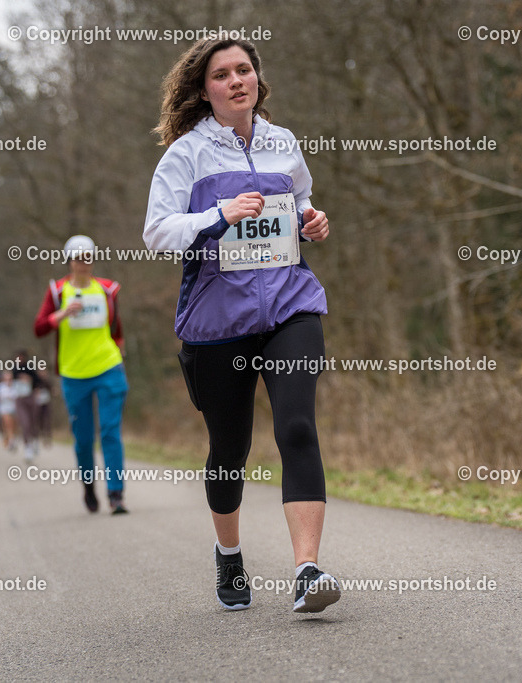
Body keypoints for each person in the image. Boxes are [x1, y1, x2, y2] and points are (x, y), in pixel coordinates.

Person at [144, 38, 339, 613]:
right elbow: (156, 232)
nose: (236, 80)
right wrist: (216, 216)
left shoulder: (283, 144)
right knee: (230, 448)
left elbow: (299, 204)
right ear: (203, 89)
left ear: (258, 78)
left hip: (289, 305)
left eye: (244, 70)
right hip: (217, 323)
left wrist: (311, 223)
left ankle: (307, 570)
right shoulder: (186, 155)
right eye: (222, 74)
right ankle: (229, 555)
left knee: (297, 427)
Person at [34, 235, 129, 514]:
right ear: (69, 261)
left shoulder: (108, 289)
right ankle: (89, 487)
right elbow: (39, 327)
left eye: (88, 257)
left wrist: (120, 351)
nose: (84, 263)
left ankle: (116, 494)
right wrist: (61, 314)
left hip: (109, 368)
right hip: (74, 373)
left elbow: (117, 327)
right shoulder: (56, 292)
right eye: (78, 258)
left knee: (110, 431)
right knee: (84, 438)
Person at [12, 348, 47, 462]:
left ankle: (35, 440)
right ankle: (28, 448)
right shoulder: (14, 369)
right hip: (20, 399)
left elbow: (37, 382)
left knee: (33, 421)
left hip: (30, 398)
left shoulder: (30, 368)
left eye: (20, 357)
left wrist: (30, 380)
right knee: (25, 423)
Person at [0, 371, 18, 450]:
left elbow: (17, 397)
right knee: (7, 423)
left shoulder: (15, 385)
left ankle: (8, 438)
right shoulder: (0, 386)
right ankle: (11, 440)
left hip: (13, 408)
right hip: (3, 408)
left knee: (12, 426)